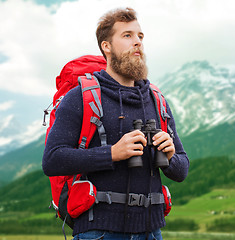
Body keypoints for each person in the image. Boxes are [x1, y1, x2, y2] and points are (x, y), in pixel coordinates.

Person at [42, 7, 189, 240]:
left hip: (152, 232)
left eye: (140, 36)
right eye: (127, 35)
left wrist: (170, 156)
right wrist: (112, 153)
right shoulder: (81, 97)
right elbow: (52, 160)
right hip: (98, 232)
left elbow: (182, 170)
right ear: (106, 46)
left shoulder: (157, 101)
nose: (137, 42)